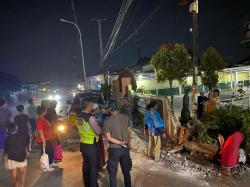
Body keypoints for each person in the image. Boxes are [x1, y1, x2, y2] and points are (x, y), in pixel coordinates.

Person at [103, 102, 132, 187]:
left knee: (112, 173)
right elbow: (129, 132)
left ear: (109, 110)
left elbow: (108, 138)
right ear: (118, 108)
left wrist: (119, 143)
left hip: (114, 150)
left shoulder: (107, 121)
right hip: (125, 148)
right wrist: (128, 142)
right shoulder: (126, 117)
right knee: (126, 172)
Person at [76, 99, 102, 187]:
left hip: (83, 144)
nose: (92, 107)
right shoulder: (91, 118)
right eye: (91, 105)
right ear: (87, 106)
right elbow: (98, 131)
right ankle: (93, 185)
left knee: (86, 165)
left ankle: (87, 184)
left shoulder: (78, 117)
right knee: (93, 167)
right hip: (92, 145)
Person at [4, 122, 29, 187]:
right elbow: (25, 145)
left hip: (11, 157)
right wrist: (27, 151)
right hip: (21, 156)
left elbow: (6, 151)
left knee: (14, 170)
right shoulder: (21, 136)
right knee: (23, 171)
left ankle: (16, 184)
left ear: (8, 130)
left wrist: (6, 161)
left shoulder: (7, 138)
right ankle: (22, 185)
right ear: (16, 128)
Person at [36, 106, 54, 172]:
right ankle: (46, 167)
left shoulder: (43, 118)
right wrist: (43, 142)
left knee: (49, 151)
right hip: (43, 139)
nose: (47, 111)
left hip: (47, 138)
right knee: (46, 153)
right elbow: (40, 131)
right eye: (46, 110)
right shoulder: (40, 120)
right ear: (43, 111)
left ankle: (49, 164)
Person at [92, 103, 106, 169]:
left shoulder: (99, 114)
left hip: (96, 136)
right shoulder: (92, 117)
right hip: (96, 136)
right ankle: (100, 165)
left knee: (100, 150)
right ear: (96, 109)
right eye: (98, 109)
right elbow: (98, 128)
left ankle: (102, 163)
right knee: (99, 151)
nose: (99, 110)